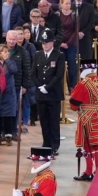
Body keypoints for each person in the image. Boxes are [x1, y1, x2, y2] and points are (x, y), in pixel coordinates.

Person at [69, 60, 98, 181]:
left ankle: (89, 171)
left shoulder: (83, 84)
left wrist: (78, 108)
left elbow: (73, 103)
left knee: (87, 146)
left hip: (87, 118)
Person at [33, 29, 65, 157]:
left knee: (53, 120)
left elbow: (59, 75)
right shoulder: (38, 55)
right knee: (44, 121)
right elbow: (33, 73)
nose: (44, 45)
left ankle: (54, 145)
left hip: (53, 93)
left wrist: (48, 87)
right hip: (41, 93)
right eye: (43, 43)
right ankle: (46, 143)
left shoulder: (59, 55)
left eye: (47, 42)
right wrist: (40, 86)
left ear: (52, 42)